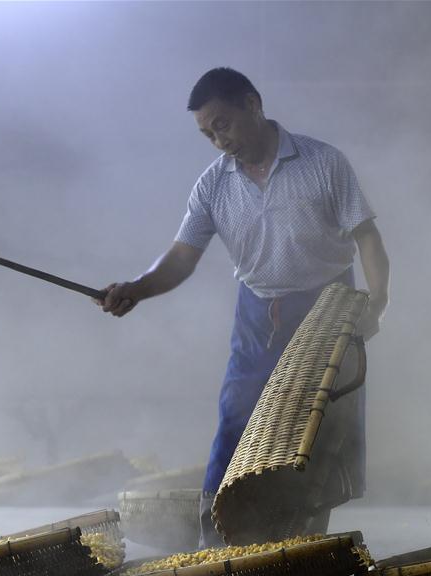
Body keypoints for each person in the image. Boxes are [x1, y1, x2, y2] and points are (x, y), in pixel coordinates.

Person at [99, 68, 390, 546]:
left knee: (320, 430)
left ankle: (303, 543)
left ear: (253, 104)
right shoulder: (213, 185)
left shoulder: (322, 162)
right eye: (207, 133)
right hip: (257, 313)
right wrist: (136, 287)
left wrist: (376, 304)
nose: (218, 140)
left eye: (223, 125)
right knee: (236, 417)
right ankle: (213, 541)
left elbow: (368, 239)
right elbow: (180, 258)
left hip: (327, 307)